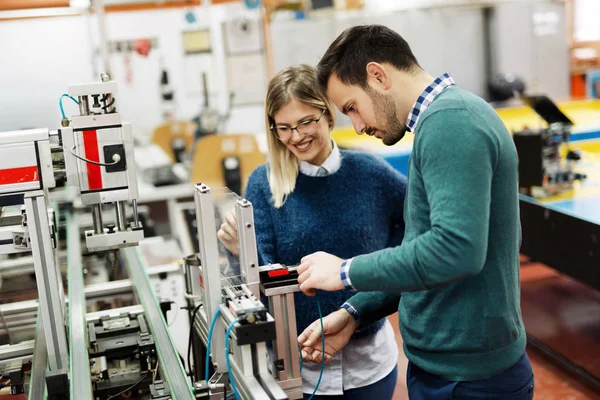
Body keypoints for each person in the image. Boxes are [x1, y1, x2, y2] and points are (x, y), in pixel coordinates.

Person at [296, 25, 535, 400]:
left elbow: (454, 250)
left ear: (377, 76)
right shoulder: (443, 121)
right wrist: (356, 311)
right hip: (450, 372)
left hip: (469, 382)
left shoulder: (451, 122)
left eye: (352, 108)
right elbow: (421, 254)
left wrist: (344, 271)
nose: (357, 127)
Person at [217, 64, 407, 399]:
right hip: (298, 368)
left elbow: (413, 240)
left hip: (370, 365)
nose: (297, 136)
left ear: (328, 115)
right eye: (284, 128)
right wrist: (239, 253)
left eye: (306, 121)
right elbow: (260, 279)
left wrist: (365, 303)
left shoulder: (372, 173)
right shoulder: (264, 184)